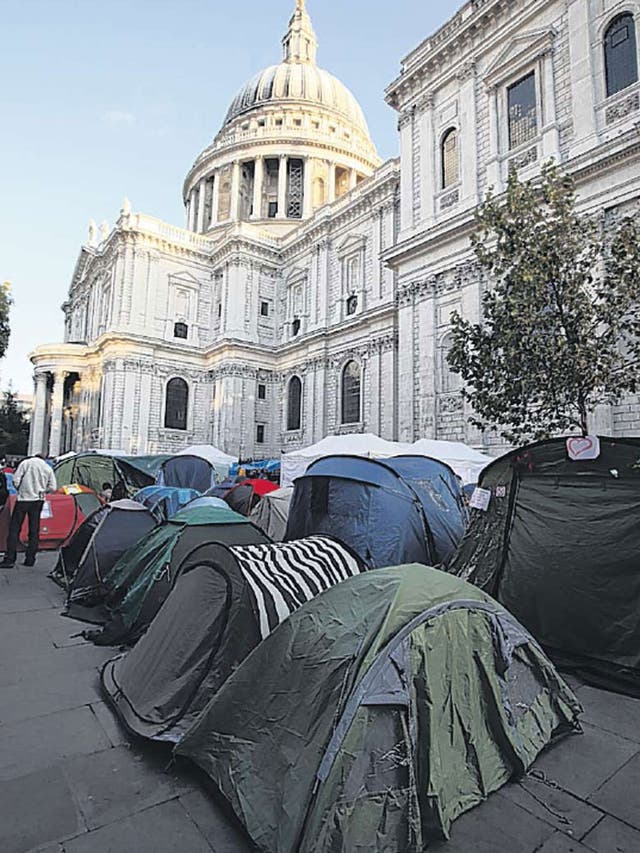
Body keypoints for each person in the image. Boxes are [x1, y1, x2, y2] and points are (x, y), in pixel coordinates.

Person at [0, 453, 57, 568]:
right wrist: (43, 491)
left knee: (15, 528)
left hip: (23, 499)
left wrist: (20, 490)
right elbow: (53, 487)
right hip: (38, 500)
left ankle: (10, 558)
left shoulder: (25, 464)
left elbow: (15, 480)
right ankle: (30, 558)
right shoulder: (47, 467)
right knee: (34, 529)